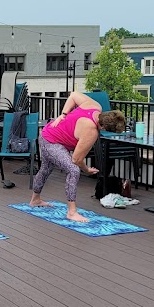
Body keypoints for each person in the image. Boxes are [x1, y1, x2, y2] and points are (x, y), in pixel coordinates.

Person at [29, 91, 126, 222]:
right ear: (103, 127)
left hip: (47, 133)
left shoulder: (94, 106)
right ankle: (71, 212)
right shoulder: (91, 131)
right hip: (52, 141)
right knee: (73, 170)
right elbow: (76, 159)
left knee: (46, 169)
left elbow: (74, 95)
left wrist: (62, 115)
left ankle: (35, 200)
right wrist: (86, 170)